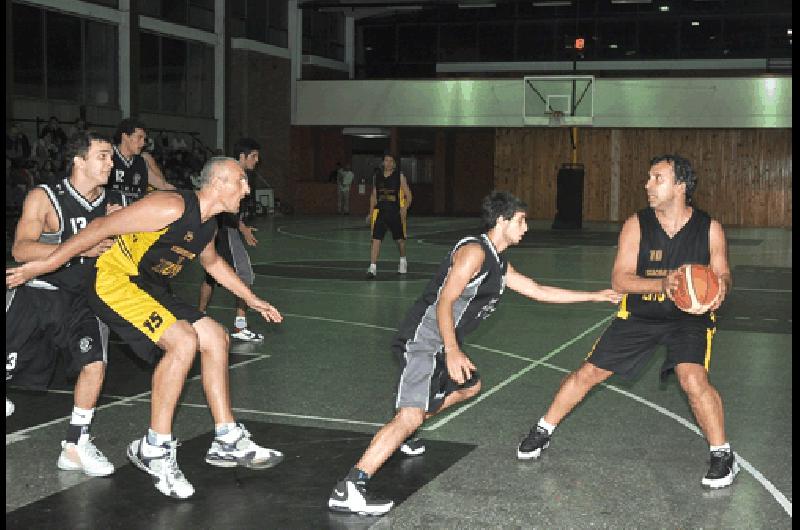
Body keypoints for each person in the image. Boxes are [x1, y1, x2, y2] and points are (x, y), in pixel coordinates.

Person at [7, 157, 285, 500]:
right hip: (112, 281)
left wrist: (252, 299)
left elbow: (211, 262)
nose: (247, 188)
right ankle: (155, 447)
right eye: (241, 180)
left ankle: (226, 437)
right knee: (182, 342)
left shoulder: (207, 225)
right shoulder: (169, 206)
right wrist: (42, 266)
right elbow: (98, 229)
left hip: (148, 286)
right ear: (218, 183)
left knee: (215, 336)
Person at [328, 191, 621, 516]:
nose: (525, 228)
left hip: (440, 343)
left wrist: (594, 296)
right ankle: (350, 487)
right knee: (409, 415)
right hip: (423, 341)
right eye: (521, 221)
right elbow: (445, 302)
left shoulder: (498, 261)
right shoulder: (473, 253)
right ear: (502, 220)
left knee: (469, 385)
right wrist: (452, 350)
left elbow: (538, 290)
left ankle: (405, 433)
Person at [516, 155, 738, 490]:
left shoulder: (709, 228)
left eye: (657, 178)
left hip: (688, 317)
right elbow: (620, 280)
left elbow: (722, 273)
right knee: (589, 372)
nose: (647, 185)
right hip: (641, 313)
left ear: (680, 186)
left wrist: (720, 289)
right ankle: (543, 429)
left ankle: (723, 455)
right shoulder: (637, 224)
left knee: (692, 379)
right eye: (648, 178)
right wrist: (661, 286)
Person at [6, 130, 121, 476]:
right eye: (102, 156)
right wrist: (79, 247)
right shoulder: (45, 197)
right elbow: (21, 249)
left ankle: (75, 445)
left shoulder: (111, 205)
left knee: (95, 364)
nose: (110, 163)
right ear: (79, 160)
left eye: (112, 157)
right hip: (37, 294)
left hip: (82, 301)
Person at [197, 138, 264, 342]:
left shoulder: (243, 177)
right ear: (242, 157)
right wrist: (242, 228)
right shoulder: (230, 174)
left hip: (219, 227)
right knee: (244, 275)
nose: (257, 160)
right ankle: (240, 325)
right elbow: (223, 206)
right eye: (253, 156)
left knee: (211, 276)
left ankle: (197, 318)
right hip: (224, 228)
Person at [365, 154, 412, 279]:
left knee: (400, 241)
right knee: (376, 239)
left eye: (391, 161)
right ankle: (372, 267)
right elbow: (374, 196)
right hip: (381, 213)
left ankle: (403, 260)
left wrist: (404, 207)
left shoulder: (399, 176)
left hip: (394, 213)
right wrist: (370, 213)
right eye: (386, 160)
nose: (389, 163)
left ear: (394, 164)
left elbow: (409, 195)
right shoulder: (378, 177)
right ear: (383, 162)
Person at [110, 118, 175, 205]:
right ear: (125, 137)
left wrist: (186, 196)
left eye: (144, 139)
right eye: (139, 137)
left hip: (136, 213)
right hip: (110, 214)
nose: (143, 143)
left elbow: (163, 185)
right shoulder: (108, 157)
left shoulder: (142, 162)